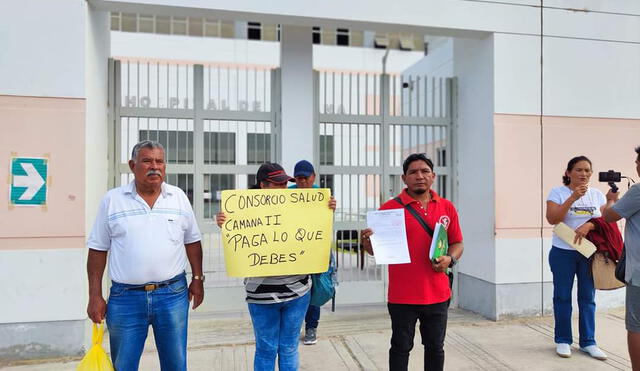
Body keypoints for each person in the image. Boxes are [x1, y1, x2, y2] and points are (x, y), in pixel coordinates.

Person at [86, 140, 204, 371]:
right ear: (132, 165)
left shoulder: (178, 197)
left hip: (172, 295)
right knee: (124, 365)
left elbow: (193, 241)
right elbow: (97, 249)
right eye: (147, 160)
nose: (155, 166)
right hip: (125, 299)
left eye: (159, 161)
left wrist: (198, 279)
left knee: (176, 365)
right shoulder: (113, 200)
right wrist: (94, 295)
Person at [216, 162, 336, 371]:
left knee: (289, 348)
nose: (283, 189)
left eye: (284, 184)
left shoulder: (299, 205)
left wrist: (326, 210)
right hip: (261, 295)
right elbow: (237, 243)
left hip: (298, 292)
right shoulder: (243, 209)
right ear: (262, 185)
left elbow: (316, 234)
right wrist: (223, 222)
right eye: (277, 184)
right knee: (266, 349)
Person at [361, 153, 463, 371]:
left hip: (438, 294)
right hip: (402, 296)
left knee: (435, 348)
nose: (420, 176)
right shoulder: (388, 210)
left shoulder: (447, 207)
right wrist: (367, 243)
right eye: (413, 172)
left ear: (433, 176)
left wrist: (450, 259)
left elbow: (457, 243)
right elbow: (376, 251)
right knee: (400, 347)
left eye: (425, 171)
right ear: (404, 178)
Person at [545, 155, 607, 360]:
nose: (584, 174)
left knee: (587, 297)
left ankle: (589, 341)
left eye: (587, 170)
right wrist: (573, 198)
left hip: (589, 253)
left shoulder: (597, 195)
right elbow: (553, 219)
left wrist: (590, 224)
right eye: (579, 170)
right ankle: (563, 340)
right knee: (562, 296)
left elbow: (604, 222)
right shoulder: (558, 192)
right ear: (568, 173)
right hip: (563, 252)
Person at [603, 146, 640, 370]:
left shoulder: (638, 191)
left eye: (638, 161)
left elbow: (609, 216)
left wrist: (611, 200)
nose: (636, 165)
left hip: (639, 273)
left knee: (636, 325)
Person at [289, 160, 321, 345]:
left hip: (314, 250)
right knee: (294, 289)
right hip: (292, 250)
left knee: (314, 291)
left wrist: (330, 207)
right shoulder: (287, 194)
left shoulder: (321, 195)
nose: (302, 182)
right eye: (298, 178)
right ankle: (294, 326)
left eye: (305, 178)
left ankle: (311, 327)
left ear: (313, 177)